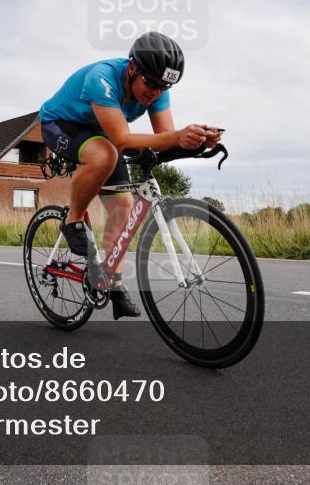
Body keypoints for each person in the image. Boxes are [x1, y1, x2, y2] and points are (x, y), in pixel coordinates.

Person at [38, 32, 223, 319]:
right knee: (106, 153)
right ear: (133, 68)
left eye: (165, 86)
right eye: (151, 83)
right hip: (61, 125)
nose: (156, 92)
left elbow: (164, 140)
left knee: (123, 206)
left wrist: (197, 141)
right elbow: (123, 140)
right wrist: (177, 136)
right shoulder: (102, 78)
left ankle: (113, 283)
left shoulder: (157, 89)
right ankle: (73, 219)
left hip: (103, 133)